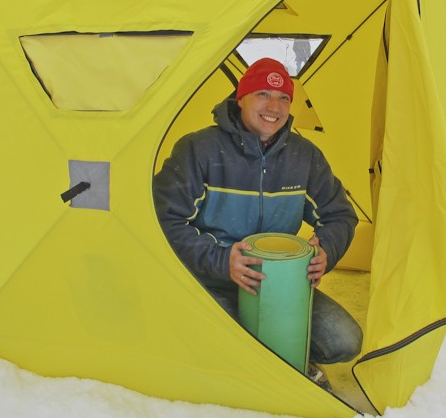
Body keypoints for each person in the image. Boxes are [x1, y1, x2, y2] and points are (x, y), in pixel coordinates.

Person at [153, 57, 362, 376]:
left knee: (344, 341)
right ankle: (280, 362)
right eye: (263, 94)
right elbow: (164, 221)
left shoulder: (303, 156)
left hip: (280, 284)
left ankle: (283, 353)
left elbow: (340, 215)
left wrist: (326, 251)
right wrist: (222, 261)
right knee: (230, 349)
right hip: (209, 280)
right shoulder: (199, 149)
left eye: (283, 98)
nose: (274, 107)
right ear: (241, 98)